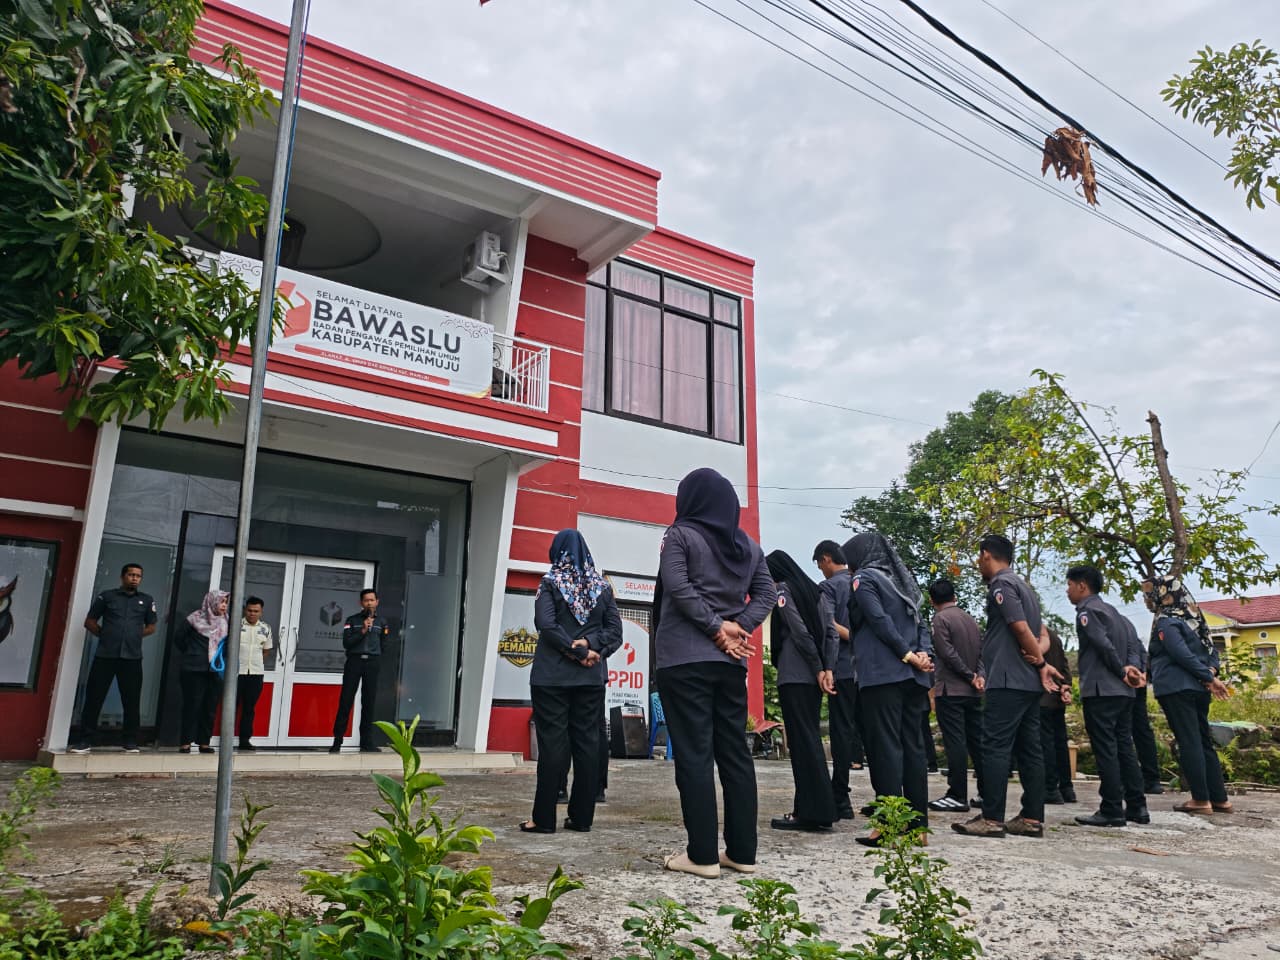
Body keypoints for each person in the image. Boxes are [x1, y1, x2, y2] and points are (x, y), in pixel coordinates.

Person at [654, 467, 775, 879]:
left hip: (683, 660)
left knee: (694, 754)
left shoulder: (679, 535)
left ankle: (702, 855)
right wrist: (736, 626)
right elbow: (767, 595)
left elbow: (678, 586)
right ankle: (742, 852)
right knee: (734, 754)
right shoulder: (747, 546)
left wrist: (718, 628)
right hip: (729, 664)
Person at [953, 534, 1064, 840]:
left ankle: (991, 818)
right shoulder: (1025, 588)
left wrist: (1041, 664)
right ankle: (1031, 817)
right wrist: (1040, 661)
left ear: (986, 554)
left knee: (995, 747)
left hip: (1007, 679)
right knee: (1030, 749)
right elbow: (1042, 634)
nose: (978, 564)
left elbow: (1020, 628)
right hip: (1025, 682)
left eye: (979, 557)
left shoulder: (1002, 585)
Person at [521, 530, 622, 834]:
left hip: (552, 678)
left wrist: (574, 650)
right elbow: (615, 633)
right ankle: (581, 818)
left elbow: (546, 625)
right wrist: (591, 648)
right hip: (590, 679)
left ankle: (544, 818)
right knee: (588, 744)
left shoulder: (551, 582)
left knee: (553, 746)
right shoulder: (602, 587)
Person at [841, 532, 934, 846]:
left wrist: (904, 654)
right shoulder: (903, 582)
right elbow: (922, 624)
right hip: (913, 678)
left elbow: (877, 619)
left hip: (882, 675)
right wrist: (922, 656)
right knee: (913, 749)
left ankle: (890, 826)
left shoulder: (865, 579)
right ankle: (918, 826)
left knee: (885, 750)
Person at [1144, 575, 1232, 816]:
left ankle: (1200, 799)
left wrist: (1209, 677)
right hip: (1199, 689)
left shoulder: (1166, 622)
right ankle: (1219, 799)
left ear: (1164, 595)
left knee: (1189, 740)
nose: (1146, 600)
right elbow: (1212, 652)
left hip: (1176, 688)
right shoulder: (1195, 620)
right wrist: (1210, 674)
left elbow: (1179, 653)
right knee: (1203, 740)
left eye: (1149, 594)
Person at [1068, 565, 1148, 827]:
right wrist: (1133, 669)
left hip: (1102, 689)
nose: (1068, 591)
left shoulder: (1089, 611)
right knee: (1125, 747)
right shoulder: (1117, 614)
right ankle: (1137, 806)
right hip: (1125, 692)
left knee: (1106, 750)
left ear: (1082, 585)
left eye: (1069, 585)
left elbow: (1102, 644)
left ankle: (1111, 808)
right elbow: (1135, 645)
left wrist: (1121, 669)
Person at [765, 550, 837, 832]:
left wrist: (817, 666)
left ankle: (810, 812)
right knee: (811, 742)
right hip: (815, 679)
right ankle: (815, 807)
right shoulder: (817, 592)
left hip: (795, 675)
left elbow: (798, 630)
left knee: (802, 744)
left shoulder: (783, 589)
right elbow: (830, 633)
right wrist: (827, 669)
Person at [71, 563, 158, 753]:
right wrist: (106, 635)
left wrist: (133, 636)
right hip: (106, 655)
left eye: (138, 576)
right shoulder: (107, 597)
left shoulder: (146, 600)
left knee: (131, 700)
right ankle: (85, 740)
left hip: (132, 658)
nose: (135, 578)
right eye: (131, 575)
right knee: (94, 697)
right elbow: (90, 621)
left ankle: (130, 741)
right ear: (122, 577)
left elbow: (152, 627)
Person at [926, 578, 986, 813]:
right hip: (973, 691)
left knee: (955, 743)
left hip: (951, 690)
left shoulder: (940, 619)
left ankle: (957, 794)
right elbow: (981, 652)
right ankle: (986, 792)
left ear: (932, 600)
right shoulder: (970, 620)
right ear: (954, 595)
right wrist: (978, 675)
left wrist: (968, 675)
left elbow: (946, 653)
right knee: (976, 742)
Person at [813, 539, 862, 819]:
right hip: (867, 671)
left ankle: (841, 797)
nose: (821, 571)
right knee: (871, 734)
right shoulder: (861, 581)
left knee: (841, 733)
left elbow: (827, 625)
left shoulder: (829, 587)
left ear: (827, 558)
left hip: (842, 668)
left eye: (820, 565)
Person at [330, 588, 390, 754]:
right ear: (361, 603)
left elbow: (384, 644)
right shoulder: (352, 620)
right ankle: (337, 741)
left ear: (377, 602)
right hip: (354, 662)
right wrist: (363, 630)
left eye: (372, 600)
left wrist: (376, 656)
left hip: (372, 663)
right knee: (346, 701)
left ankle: (366, 742)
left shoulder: (382, 622)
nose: (369, 603)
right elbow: (347, 643)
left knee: (369, 703)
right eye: (366, 600)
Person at [174, 590, 227, 754]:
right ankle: (185, 742)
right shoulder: (195, 618)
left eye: (226, 602)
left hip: (215, 670)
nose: (224, 605)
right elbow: (179, 639)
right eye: (221, 602)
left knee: (210, 707)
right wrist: (193, 653)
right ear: (211, 602)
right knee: (192, 705)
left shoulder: (226, 622)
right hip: (193, 668)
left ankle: (204, 742)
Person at [1040, 627, 1077, 805]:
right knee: (1060, 743)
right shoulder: (1053, 634)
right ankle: (1067, 788)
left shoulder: (1034, 635)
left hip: (1042, 696)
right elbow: (1063, 664)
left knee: (1045, 743)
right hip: (1057, 696)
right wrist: (1066, 686)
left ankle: (1049, 788)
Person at [235, 596, 274, 751]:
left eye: (256, 611)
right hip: (237, 673)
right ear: (245, 610)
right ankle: (223, 740)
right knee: (231, 707)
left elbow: (266, 650)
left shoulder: (266, 628)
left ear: (261, 612)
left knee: (249, 708)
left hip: (256, 674)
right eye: (250, 610)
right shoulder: (236, 625)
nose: (252, 614)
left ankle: (245, 740)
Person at [1130, 640, 1165, 794]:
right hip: (1140, 680)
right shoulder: (1128, 628)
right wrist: (1143, 673)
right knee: (1142, 729)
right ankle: (1152, 779)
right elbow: (1144, 656)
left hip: (1122, 681)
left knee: (1121, 732)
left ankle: (1129, 779)